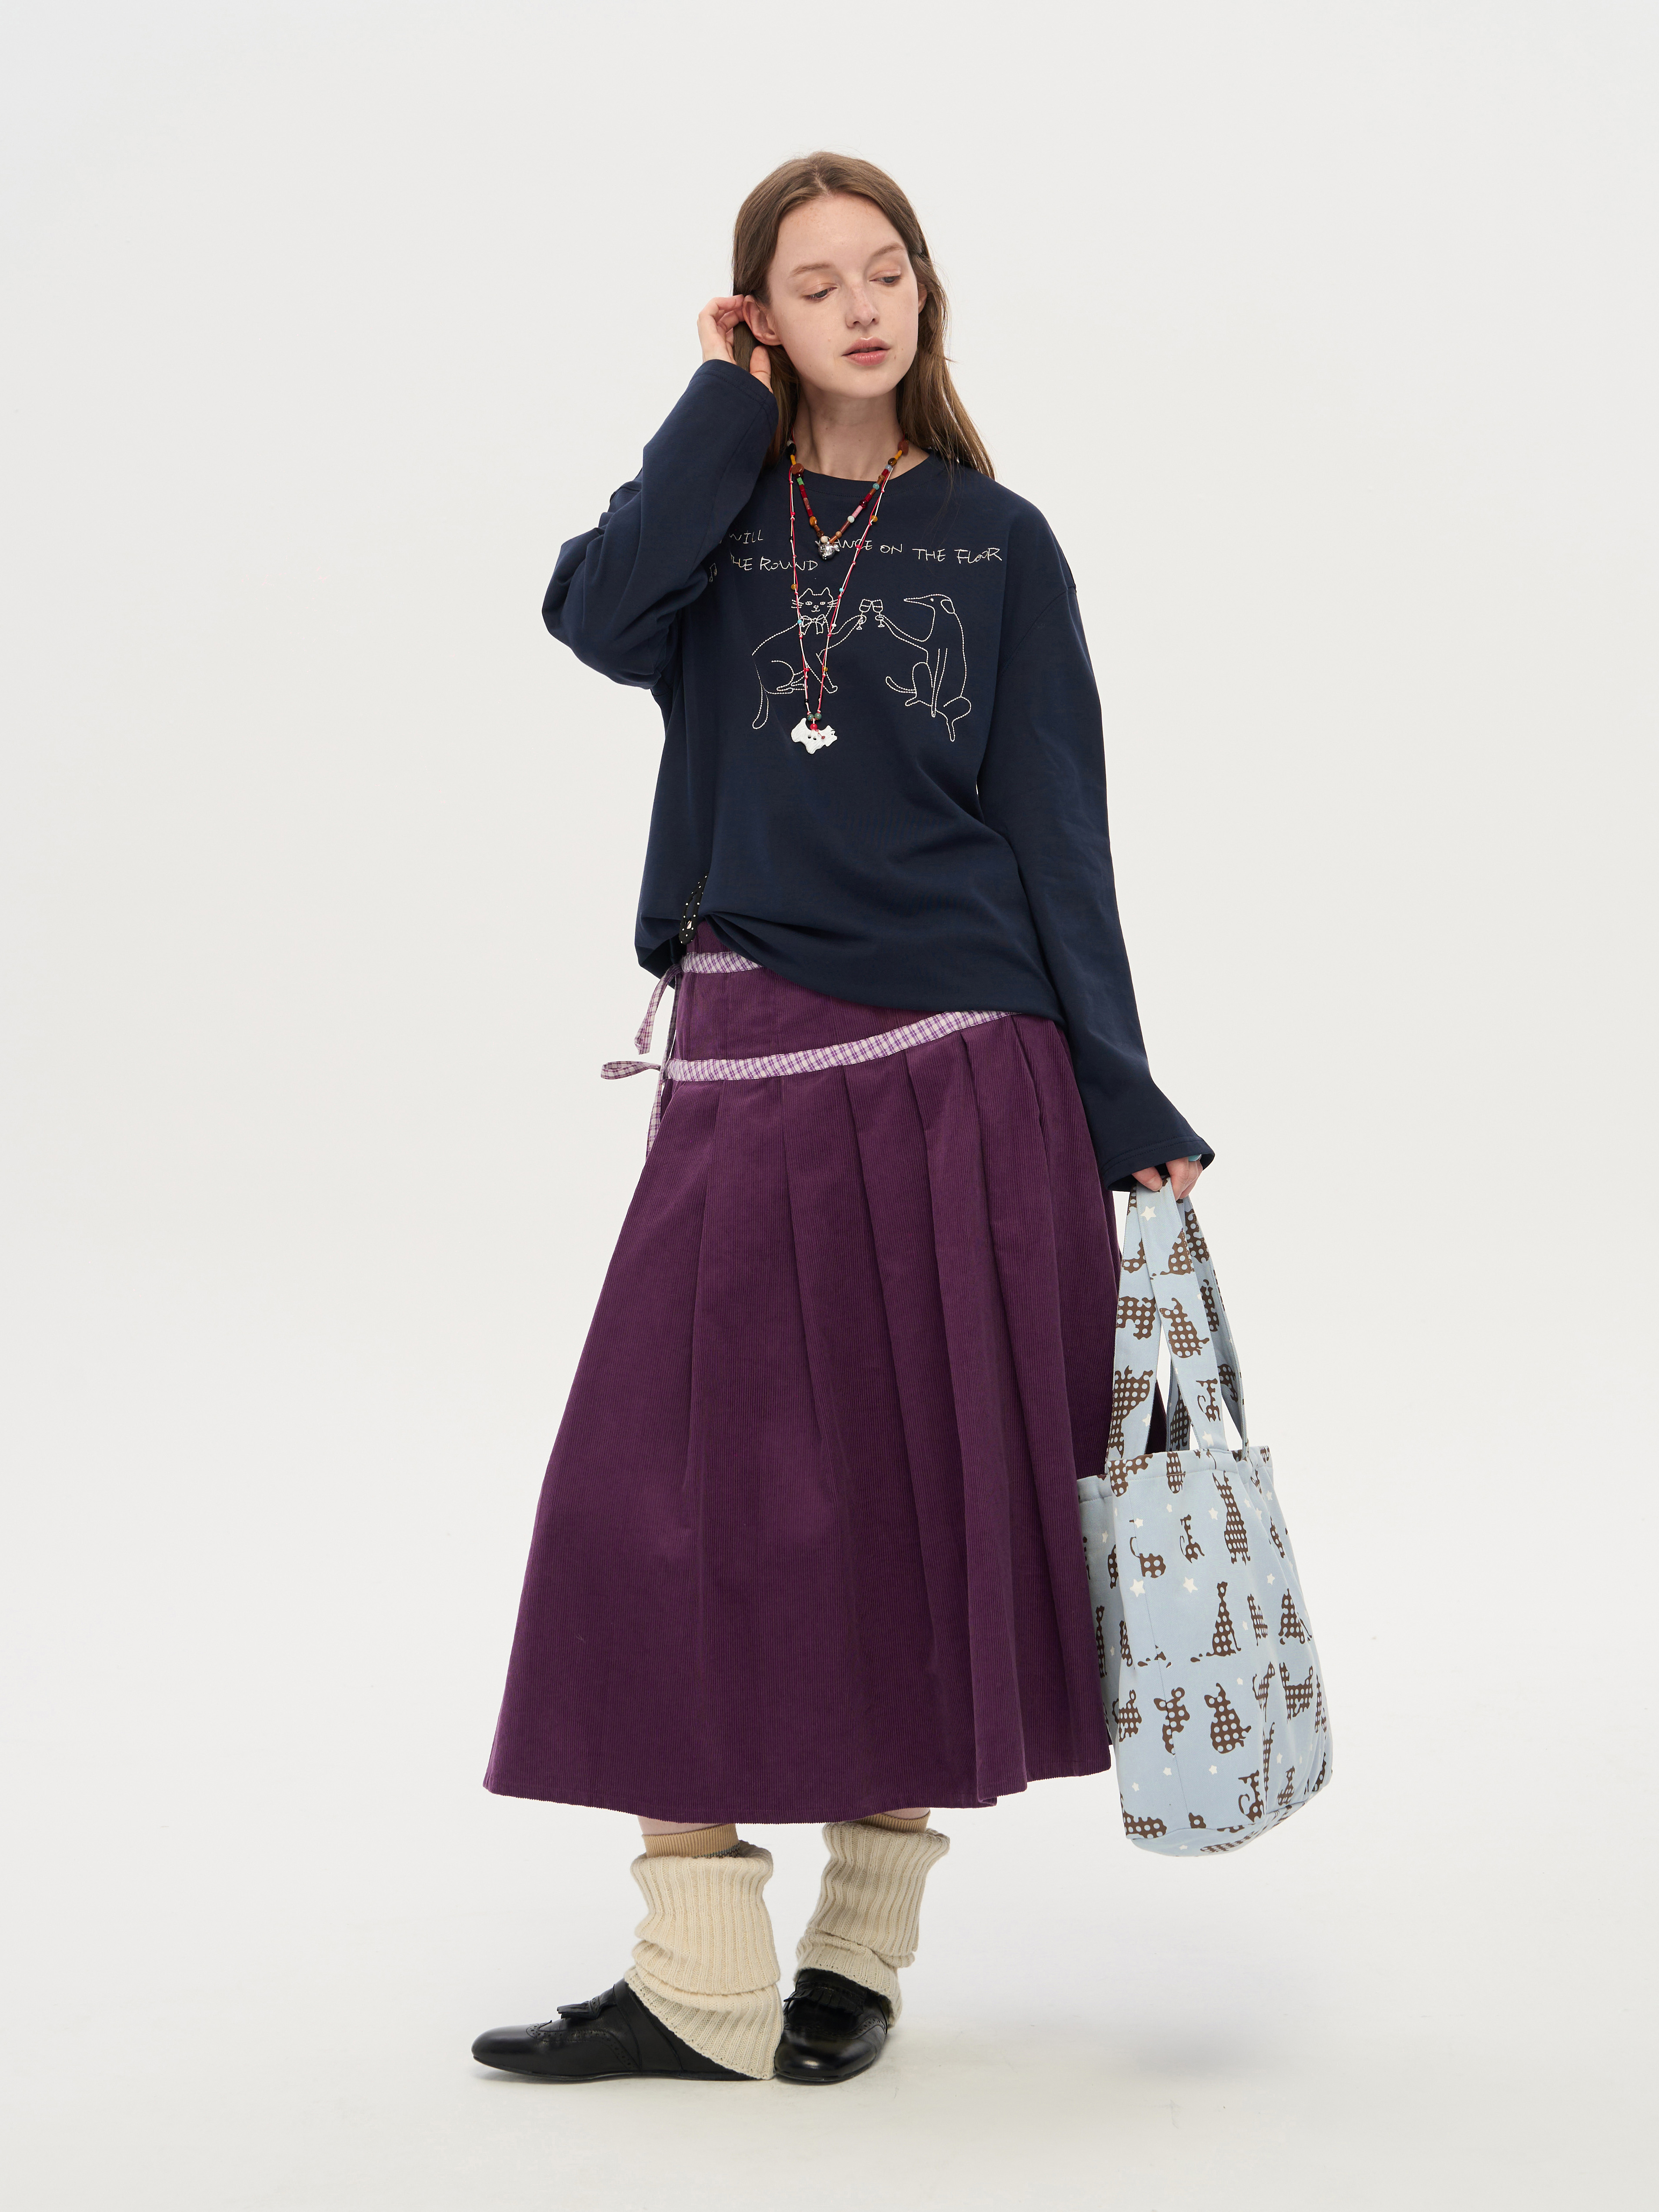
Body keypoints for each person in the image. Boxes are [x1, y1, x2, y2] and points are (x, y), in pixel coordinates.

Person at [472, 152, 1209, 2088]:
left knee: (908, 1505)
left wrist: (1119, 1091)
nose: (865, 307)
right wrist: (717, 409)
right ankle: (701, 1973)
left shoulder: (1000, 541)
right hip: (750, 1048)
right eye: (815, 285)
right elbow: (592, 615)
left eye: (888, 271)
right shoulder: (714, 519)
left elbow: (1059, 829)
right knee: (655, 1503)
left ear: (924, 293)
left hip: (969, 1065)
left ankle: (854, 1955)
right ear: (760, 317)